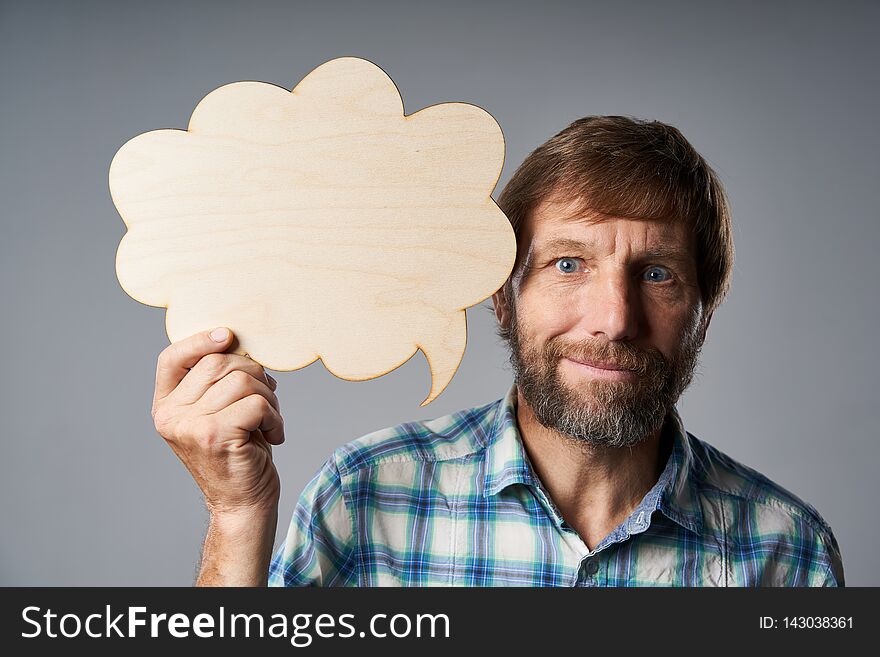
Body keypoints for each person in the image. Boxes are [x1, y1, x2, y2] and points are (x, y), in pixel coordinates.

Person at [150, 116, 844, 587]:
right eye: (569, 264)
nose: (612, 319)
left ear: (704, 309)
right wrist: (238, 517)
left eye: (657, 273)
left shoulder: (787, 550)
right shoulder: (365, 495)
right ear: (502, 295)